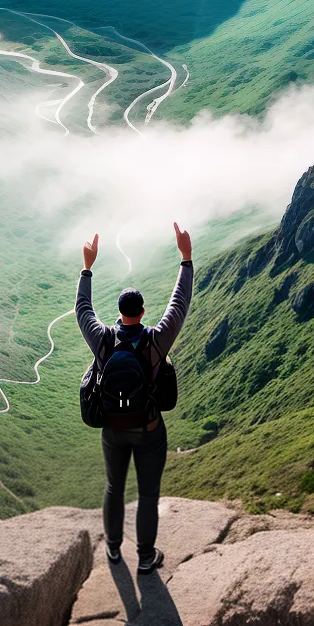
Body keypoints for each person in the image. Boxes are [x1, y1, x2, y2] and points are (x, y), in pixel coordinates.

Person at [76, 222, 193, 574]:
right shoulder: (157, 340)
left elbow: (83, 308)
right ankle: (144, 557)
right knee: (147, 493)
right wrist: (186, 259)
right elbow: (180, 302)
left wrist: (87, 267)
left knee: (114, 487)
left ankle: (113, 551)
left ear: (120, 312)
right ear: (142, 313)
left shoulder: (102, 339)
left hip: (112, 427)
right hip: (149, 428)